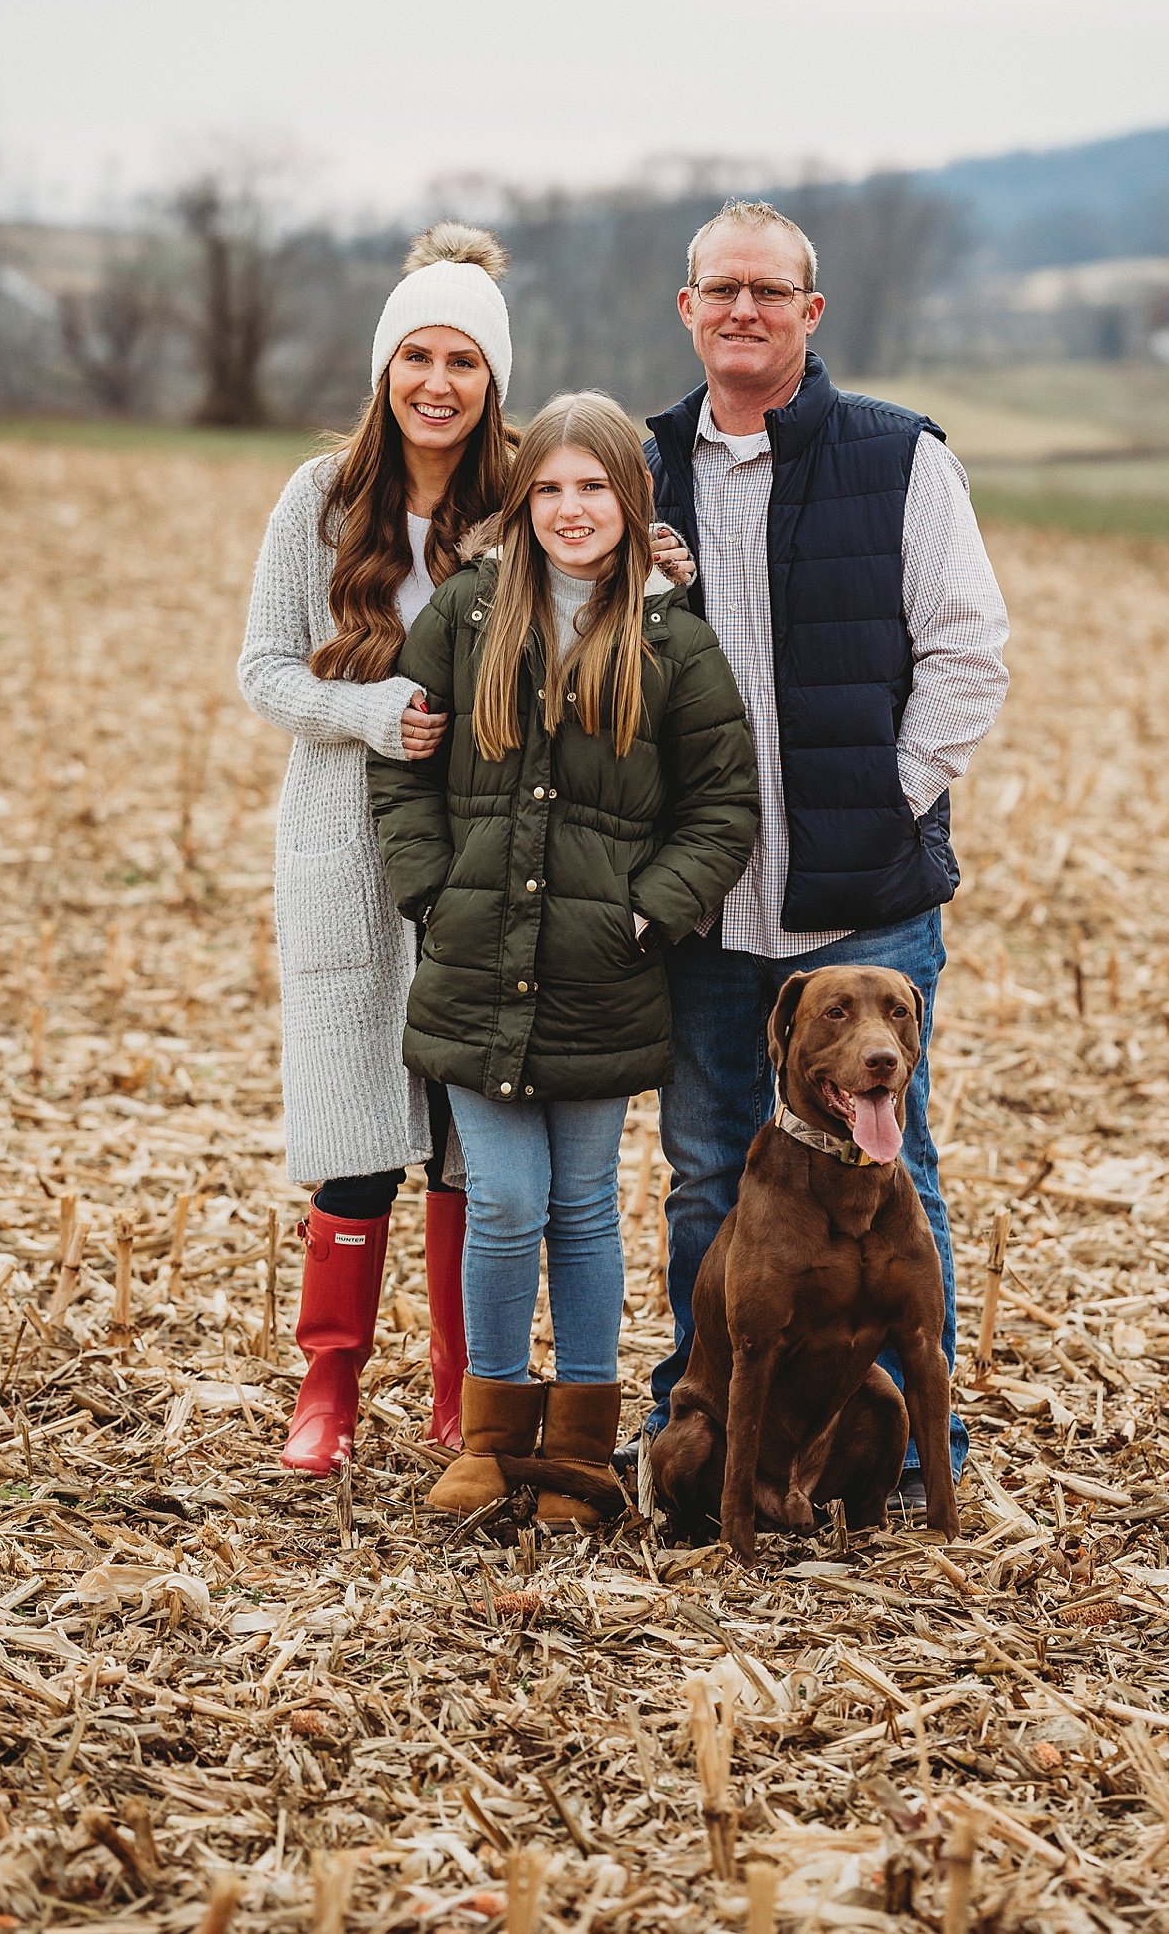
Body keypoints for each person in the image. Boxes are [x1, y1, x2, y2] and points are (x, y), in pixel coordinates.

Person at [635, 198, 1011, 1502]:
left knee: (893, 1177)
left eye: (769, 289)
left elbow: (970, 650)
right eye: (719, 287)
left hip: (861, 914)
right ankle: (715, 1460)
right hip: (704, 912)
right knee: (705, 1182)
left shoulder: (898, 457)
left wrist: (888, 800)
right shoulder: (634, 473)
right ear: (686, 309)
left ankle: (913, 1458)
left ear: (812, 311)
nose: (743, 308)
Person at [368, 392, 759, 1527]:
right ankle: (490, 1445)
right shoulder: (465, 615)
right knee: (502, 1201)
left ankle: (581, 1454)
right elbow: (403, 763)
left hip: (605, 978)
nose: (571, 509)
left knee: (584, 1208)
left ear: (631, 503)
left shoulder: (674, 641)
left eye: (594, 487)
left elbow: (722, 805)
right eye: (548, 488)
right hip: (475, 969)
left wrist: (647, 915)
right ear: (522, 501)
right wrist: (431, 891)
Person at [237, 222, 514, 1473]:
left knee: (465, 1145)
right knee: (355, 1147)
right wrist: (364, 713)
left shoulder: (518, 507)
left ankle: (463, 1398)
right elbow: (261, 671)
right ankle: (329, 1391)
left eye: (464, 359)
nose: (438, 383)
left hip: (479, 857)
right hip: (345, 850)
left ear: (492, 379)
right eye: (418, 356)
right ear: (384, 368)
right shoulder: (321, 498)